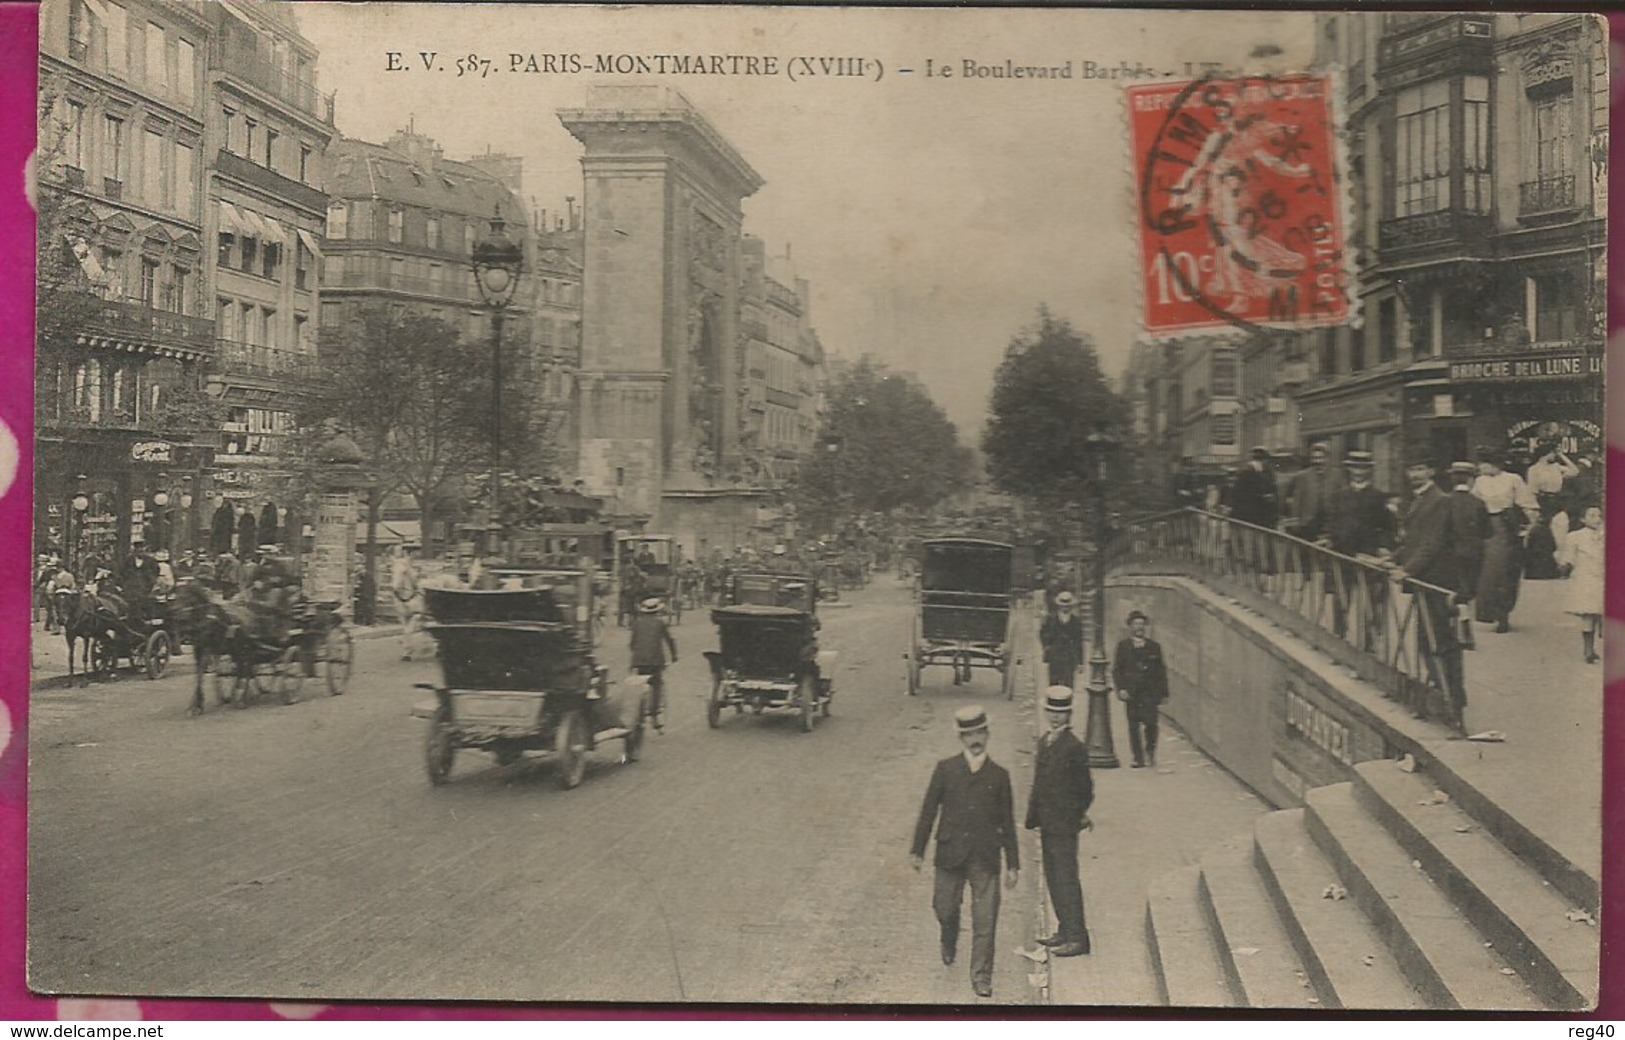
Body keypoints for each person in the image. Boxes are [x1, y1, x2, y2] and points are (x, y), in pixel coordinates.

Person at [910, 705, 1020, 1000]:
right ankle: (950, 934)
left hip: (985, 856)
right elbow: (929, 810)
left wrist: (1013, 863)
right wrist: (917, 850)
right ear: (961, 738)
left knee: (986, 920)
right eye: (969, 733)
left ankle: (981, 976)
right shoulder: (946, 769)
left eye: (980, 732)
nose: (975, 739)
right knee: (943, 907)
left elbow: (1007, 821)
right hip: (950, 853)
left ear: (988, 735)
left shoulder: (999, 776)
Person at [1391, 455, 1468, 730]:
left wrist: (1407, 570)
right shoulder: (1418, 499)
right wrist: (1393, 558)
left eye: (1420, 468)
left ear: (1431, 471)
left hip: (1438, 581)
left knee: (1441, 643)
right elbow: (1414, 540)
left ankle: (1453, 702)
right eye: (1411, 468)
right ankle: (1440, 696)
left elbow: (1433, 542)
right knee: (1428, 641)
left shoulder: (1440, 500)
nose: (1415, 474)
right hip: (1425, 581)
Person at [1025, 686, 1094, 958]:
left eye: (1061, 713)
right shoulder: (1045, 742)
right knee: (1054, 877)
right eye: (1051, 713)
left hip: (1063, 825)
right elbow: (1039, 783)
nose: (1055, 718)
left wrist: (1074, 815)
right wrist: (1034, 817)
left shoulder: (1074, 747)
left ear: (1069, 715)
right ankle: (1064, 930)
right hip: (1047, 822)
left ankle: (1078, 937)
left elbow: (1085, 789)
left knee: (1066, 878)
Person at [1309, 451, 1395, 647]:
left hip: (1368, 558)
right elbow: (1330, 522)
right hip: (1343, 557)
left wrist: (1384, 547)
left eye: (1363, 468)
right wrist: (1327, 537)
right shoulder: (1339, 497)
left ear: (1370, 471)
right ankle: (1339, 642)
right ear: (1349, 470)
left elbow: (1388, 528)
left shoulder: (1379, 497)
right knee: (1341, 601)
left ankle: (1369, 645)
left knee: (1372, 604)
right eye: (1355, 467)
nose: (1358, 472)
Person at [1471, 450, 1539, 633]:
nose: (1480, 467)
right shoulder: (1480, 482)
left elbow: (1528, 503)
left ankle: (1503, 614)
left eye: (1483, 463)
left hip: (1506, 527)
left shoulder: (1513, 479)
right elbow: (1473, 504)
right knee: (1486, 572)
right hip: (1485, 528)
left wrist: (1527, 527)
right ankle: (1488, 612)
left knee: (1504, 571)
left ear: (1494, 463)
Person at [1112, 610, 1170, 768]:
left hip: (1149, 692)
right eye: (1136, 624)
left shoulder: (1154, 647)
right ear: (1130, 626)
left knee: (1151, 724)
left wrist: (1164, 692)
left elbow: (1161, 670)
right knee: (1133, 725)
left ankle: (1150, 751)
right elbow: (1117, 669)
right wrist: (1121, 688)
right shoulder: (1123, 646)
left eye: (1141, 624)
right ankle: (1137, 757)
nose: (1139, 627)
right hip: (1132, 692)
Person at [1445, 462, 1489, 649]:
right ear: (1471, 480)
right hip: (1473, 553)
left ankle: (1456, 628)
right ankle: (1465, 628)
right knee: (1468, 592)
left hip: (1450, 553)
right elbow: (1488, 531)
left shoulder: (1445, 501)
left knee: (1453, 590)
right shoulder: (1478, 503)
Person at [1523, 441, 1576, 580]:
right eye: (1552, 452)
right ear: (1545, 454)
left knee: (1561, 531)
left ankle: (1561, 566)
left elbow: (1575, 471)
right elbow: (1532, 491)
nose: (1554, 455)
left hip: (1557, 501)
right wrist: (1534, 510)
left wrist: (1561, 455)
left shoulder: (1557, 467)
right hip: (1542, 502)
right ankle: (1545, 569)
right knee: (1543, 535)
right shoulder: (1533, 470)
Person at [1558, 504, 1604, 664]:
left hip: (1603, 578)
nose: (1597, 519)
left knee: (1604, 614)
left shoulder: (1607, 535)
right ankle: (1588, 650)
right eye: (1592, 516)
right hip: (1586, 579)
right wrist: (1565, 567)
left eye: (1599, 516)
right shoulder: (1575, 536)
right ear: (1582, 519)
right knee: (1589, 614)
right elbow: (1569, 557)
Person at [629, 597, 677, 731]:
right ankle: (655, 715)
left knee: (641, 684)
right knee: (656, 685)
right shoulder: (660, 623)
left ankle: (638, 711)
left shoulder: (636, 623)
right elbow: (669, 640)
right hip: (655, 661)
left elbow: (633, 644)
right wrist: (674, 655)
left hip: (639, 661)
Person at [1287, 440, 1344, 537]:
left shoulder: (1337, 475)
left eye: (1321, 458)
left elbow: (1343, 499)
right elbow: (1297, 500)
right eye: (1314, 458)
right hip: (1308, 522)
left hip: (1330, 522)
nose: (1318, 461)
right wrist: (1295, 519)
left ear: (1327, 458)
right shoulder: (1303, 476)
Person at [1039, 591, 1085, 688]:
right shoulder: (1051, 619)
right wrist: (1047, 647)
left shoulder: (1076, 621)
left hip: (1069, 658)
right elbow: (1043, 633)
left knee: (1068, 687)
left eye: (1068, 605)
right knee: (1053, 686)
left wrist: (1080, 662)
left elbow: (1079, 642)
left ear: (1071, 606)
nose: (1065, 607)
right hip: (1055, 657)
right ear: (1059, 606)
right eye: (1063, 605)